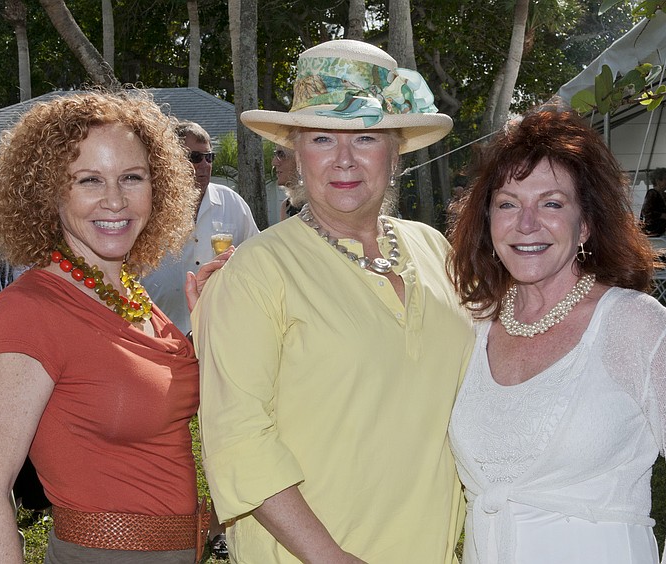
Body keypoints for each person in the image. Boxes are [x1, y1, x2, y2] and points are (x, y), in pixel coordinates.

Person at [192, 39, 475, 563]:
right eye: (322, 138)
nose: (344, 159)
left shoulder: (435, 250)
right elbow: (237, 440)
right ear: (297, 153)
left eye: (365, 137)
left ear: (396, 151)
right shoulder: (256, 271)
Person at [446, 108, 666, 564]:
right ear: (488, 219)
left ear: (587, 224)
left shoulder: (641, 327)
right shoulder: (473, 324)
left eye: (552, 203)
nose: (527, 223)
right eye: (508, 203)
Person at [0, 91, 227, 563]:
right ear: (47, 192)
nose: (115, 200)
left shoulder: (129, 292)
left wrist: (211, 327)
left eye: (132, 177)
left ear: (158, 186)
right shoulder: (28, 311)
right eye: (88, 180)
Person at [143, 121, 259, 336]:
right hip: (159, 334)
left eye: (209, 157)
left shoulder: (231, 201)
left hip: (219, 332)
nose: (204, 165)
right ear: (171, 160)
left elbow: (257, 260)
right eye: (195, 158)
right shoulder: (147, 205)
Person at [640, 167, 666, 235]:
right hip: (654, 232)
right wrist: (663, 215)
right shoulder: (652, 194)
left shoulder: (665, 195)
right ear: (658, 181)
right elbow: (646, 212)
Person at [273, 145, 301, 220]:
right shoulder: (286, 206)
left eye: (281, 155)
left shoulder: (325, 202)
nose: (274, 163)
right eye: (275, 155)